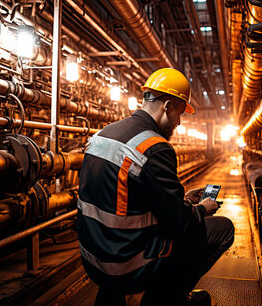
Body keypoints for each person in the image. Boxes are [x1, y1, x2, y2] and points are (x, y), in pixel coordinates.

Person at [77, 68, 235, 306]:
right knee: (222, 228)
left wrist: (184, 199)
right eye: (180, 114)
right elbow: (179, 224)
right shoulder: (155, 147)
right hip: (124, 266)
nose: (179, 123)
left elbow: (128, 198)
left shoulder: (102, 135)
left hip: (92, 259)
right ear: (167, 106)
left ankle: (110, 298)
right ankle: (165, 299)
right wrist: (202, 208)